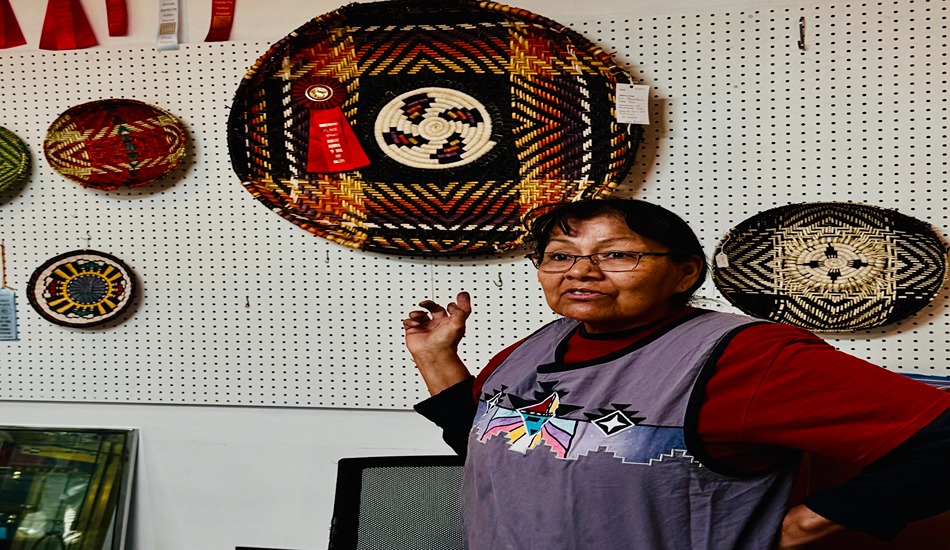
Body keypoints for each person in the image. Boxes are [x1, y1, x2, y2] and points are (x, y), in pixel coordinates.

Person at [403, 198, 950, 549]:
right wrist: (436, 359)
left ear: (685, 272)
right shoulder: (536, 346)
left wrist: (804, 524)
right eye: (559, 255)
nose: (581, 271)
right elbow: (504, 454)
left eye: (616, 254)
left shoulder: (746, 355)